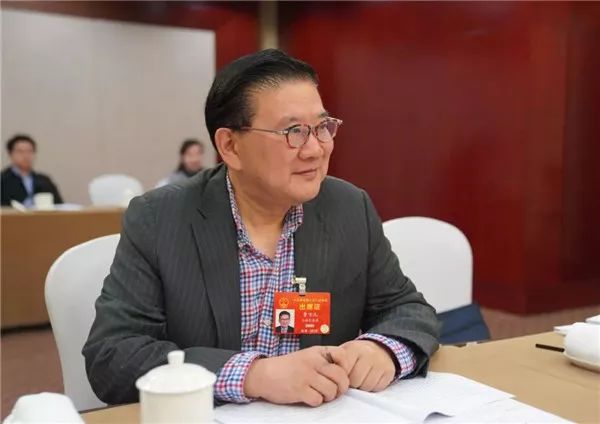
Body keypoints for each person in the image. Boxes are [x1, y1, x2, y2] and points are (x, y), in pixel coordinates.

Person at [83, 49, 440, 408]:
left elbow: (407, 309)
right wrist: (254, 375)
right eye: (293, 132)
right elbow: (113, 356)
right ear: (230, 146)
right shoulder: (160, 218)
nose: (315, 150)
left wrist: (383, 349)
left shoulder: (348, 208)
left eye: (322, 127)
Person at [1, 134, 63, 207]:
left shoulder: (44, 180)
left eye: (29, 151)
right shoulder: (2, 179)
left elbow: (59, 205)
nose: (26, 155)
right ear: (10, 154)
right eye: (20, 151)